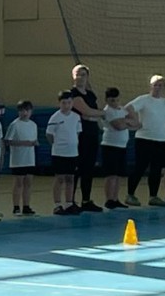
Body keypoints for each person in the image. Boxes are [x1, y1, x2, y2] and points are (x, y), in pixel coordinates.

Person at [127, 76, 165, 207]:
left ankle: (153, 196)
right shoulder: (143, 99)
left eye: (161, 85)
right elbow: (128, 108)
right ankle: (130, 194)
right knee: (140, 167)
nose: (158, 88)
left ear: (164, 88)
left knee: (157, 168)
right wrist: (136, 121)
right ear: (151, 86)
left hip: (161, 139)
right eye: (156, 85)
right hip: (144, 138)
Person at [67, 64, 104, 213]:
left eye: (83, 75)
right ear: (73, 76)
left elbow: (93, 113)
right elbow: (87, 111)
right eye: (77, 74)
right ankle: (70, 201)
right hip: (79, 136)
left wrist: (95, 115)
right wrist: (99, 113)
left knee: (89, 168)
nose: (80, 77)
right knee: (77, 168)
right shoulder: (73, 94)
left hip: (92, 134)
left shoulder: (90, 95)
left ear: (87, 77)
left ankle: (86, 200)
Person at [46, 91, 82, 215]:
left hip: (72, 153)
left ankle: (69, 203)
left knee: (70, 178)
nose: (66, 105)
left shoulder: (76, 117)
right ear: (59, 103)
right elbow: (49, 134)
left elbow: (77, 133)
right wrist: (57, 145)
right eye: (63, 103)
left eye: (69, 103)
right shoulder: (55, 117)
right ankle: (57, 204)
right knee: (59, 178)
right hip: (59, 153)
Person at [99, 88, 135, 210]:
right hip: (110, 145)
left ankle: (115, 198)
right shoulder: (107, 111)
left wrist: (125, 122)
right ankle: (109, 199)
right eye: (112, 101)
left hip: (122, 146)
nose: (114, 103)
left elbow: (136, 123)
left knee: (119, 174)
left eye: (116, 100)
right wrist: (127, 122)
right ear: (107, 100)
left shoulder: (121, 109)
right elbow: (119, 126)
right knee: (111, 174)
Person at [5, 101, 38, 216]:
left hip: (30, 159)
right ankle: (16, 207)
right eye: (22, 110)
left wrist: (34, 143)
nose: (25, 113)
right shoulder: (15, 125)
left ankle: (26, 206)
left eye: (27, 110)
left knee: (28, 183)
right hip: (18, 160)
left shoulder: (33, 125)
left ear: (31, 112)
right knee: (18, 183)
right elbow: (8, 141)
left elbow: (34, 140)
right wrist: (24, 143)